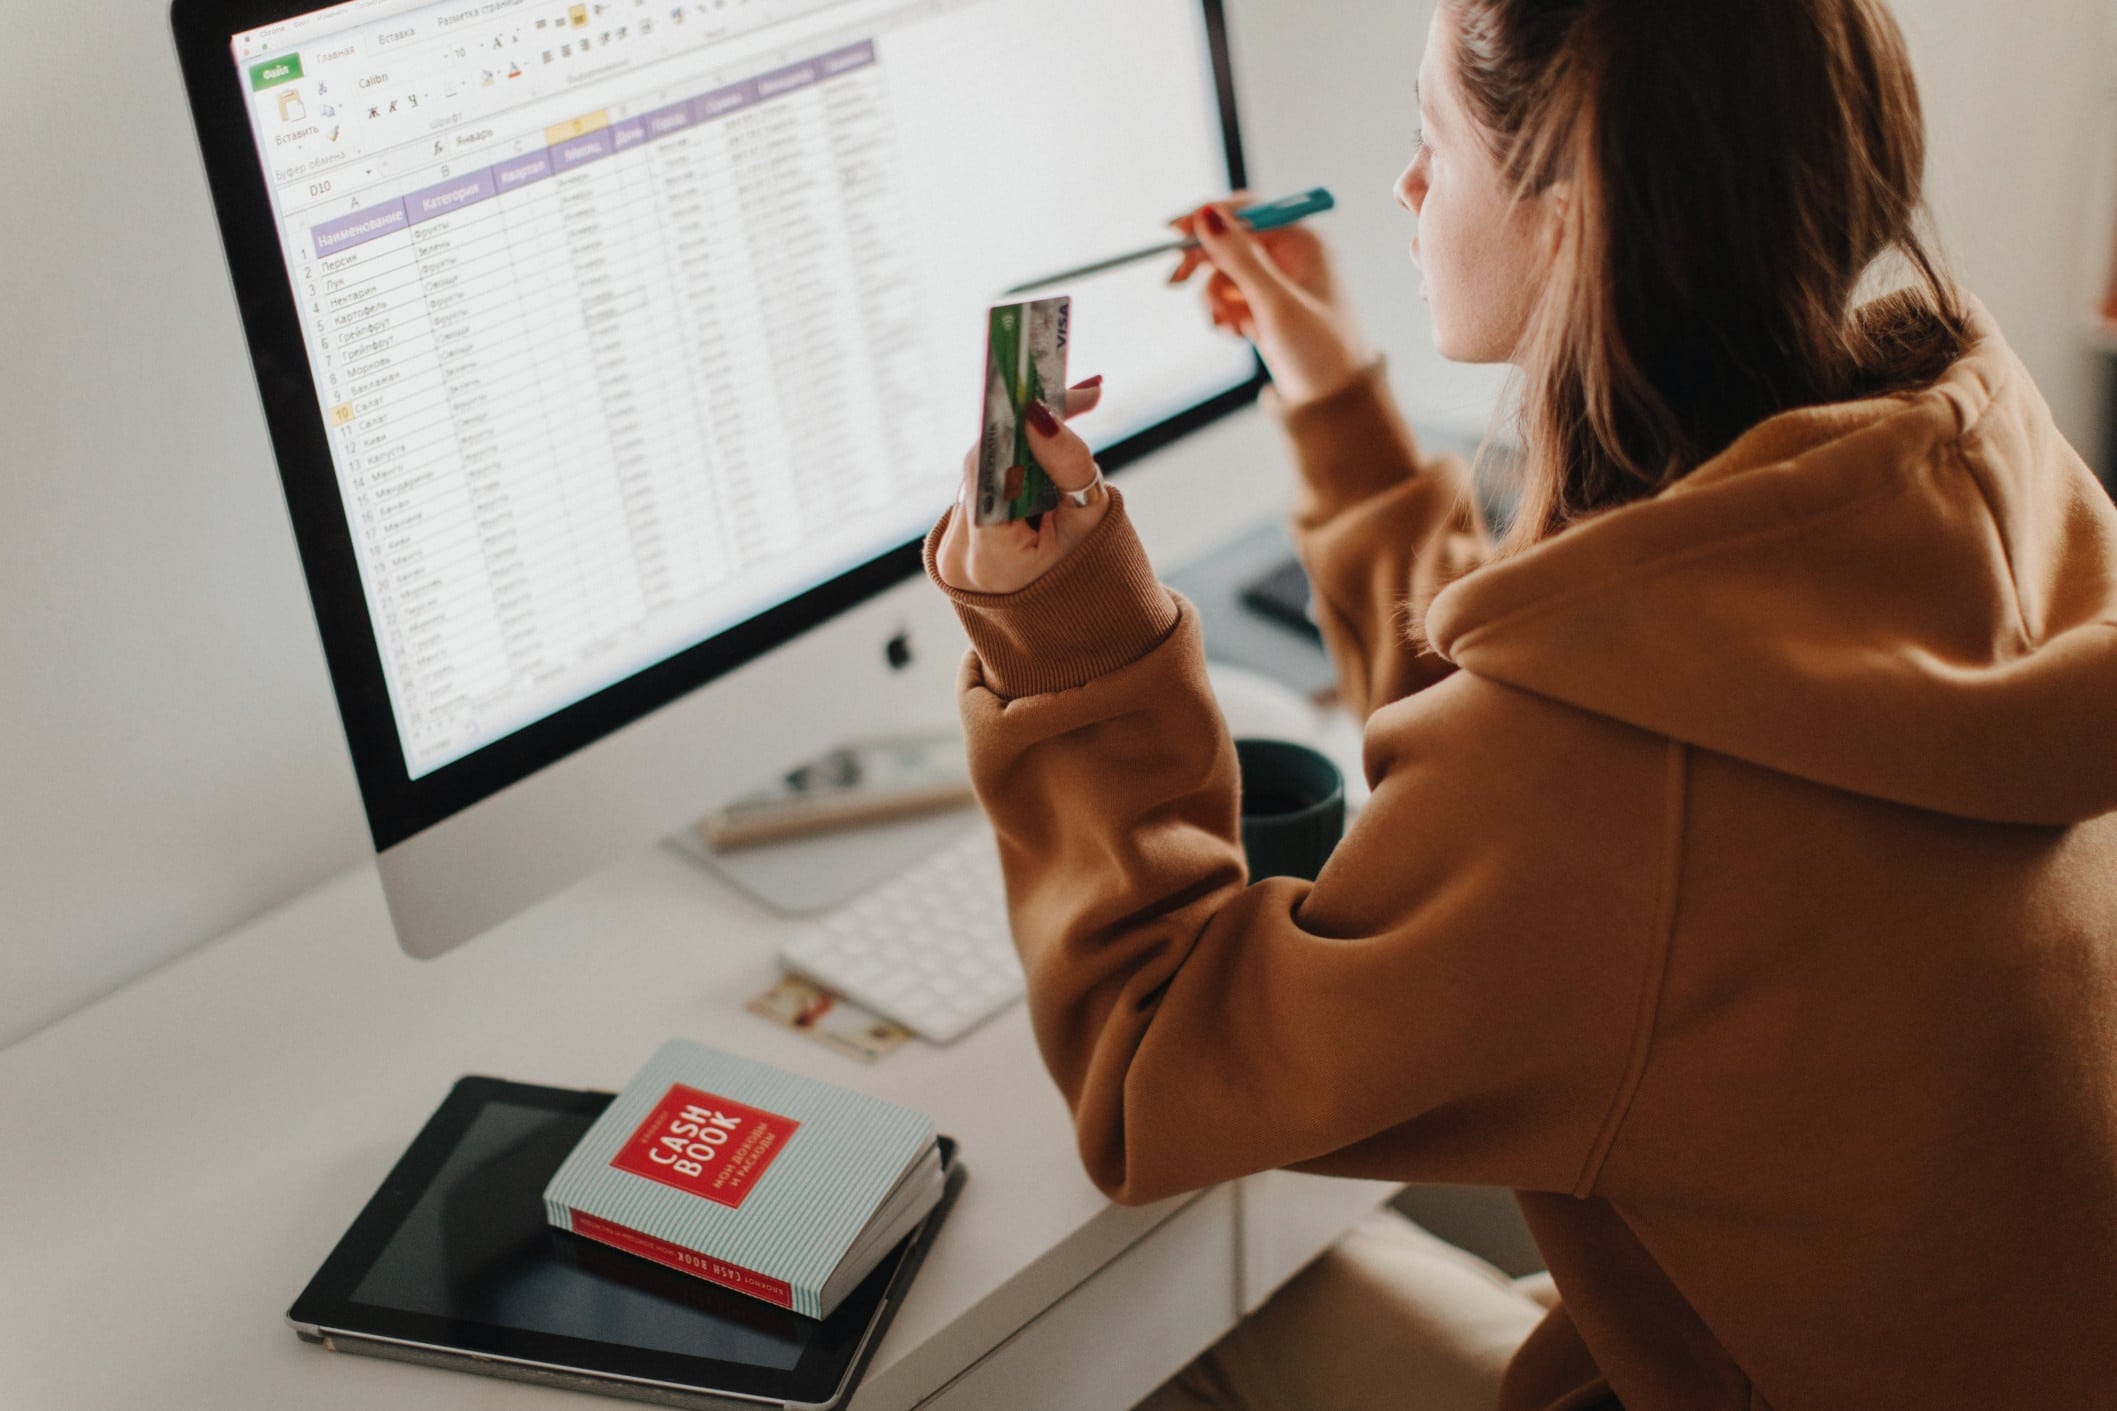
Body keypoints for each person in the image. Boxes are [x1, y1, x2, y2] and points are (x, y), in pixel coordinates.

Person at [923, 0, 2117, 1406]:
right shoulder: (1972, 477)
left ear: (1571, 207)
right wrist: (1334, 402)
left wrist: (1063, 643)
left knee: (1132, 1332)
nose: (1403, 187)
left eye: (1428, 137)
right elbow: (1580, 704)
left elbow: (1157, 1072)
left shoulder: (1615, 791)